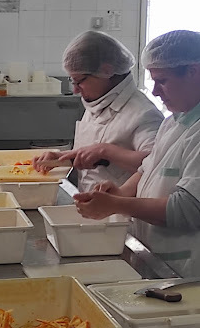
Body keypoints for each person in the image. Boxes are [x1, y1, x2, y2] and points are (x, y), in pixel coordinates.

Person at [74, 29, 200, 277]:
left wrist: (118, 204)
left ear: (194, 72)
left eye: (162, 81)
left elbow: (186, 209)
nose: (154, 92)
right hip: (156, 256)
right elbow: (146, 169)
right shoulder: (174, 122)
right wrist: (120, 192)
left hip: (187, 269)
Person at [33, 30, 163, 191]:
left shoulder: (144, 113)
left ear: (107, 71)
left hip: (122, 212)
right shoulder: (99, 101)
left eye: (79, 81)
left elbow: (157, 166)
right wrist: (63, 158)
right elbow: (91, 154)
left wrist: (107, 151)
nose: (75, 90)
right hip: (92, 206)